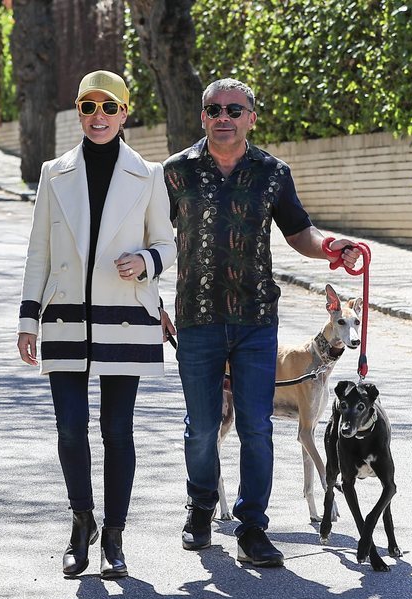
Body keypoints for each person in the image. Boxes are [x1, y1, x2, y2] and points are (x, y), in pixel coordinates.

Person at [163, 78, 362, 567]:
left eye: (235, 109)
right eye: (214, 109)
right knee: (202, 426)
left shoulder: (273, 173)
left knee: (256, 426)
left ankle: (253, 526)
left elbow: (300, 231)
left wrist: (331, 248)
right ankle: (201, 508)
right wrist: (150, 300)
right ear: (202, 117)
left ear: (252, 117)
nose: (223, 117)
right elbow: (151, 236)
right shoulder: (174, 173)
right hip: (197, 317)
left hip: (255, 320)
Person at [17, 70, 176, 579]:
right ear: (79, 114)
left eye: (109, 108)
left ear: (125, 114)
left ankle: (114, 536)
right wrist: (26, 319)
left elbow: (168, 245)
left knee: (117, 430)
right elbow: (38, 249)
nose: (99, 117)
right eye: (89, 108)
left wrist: (146, 261)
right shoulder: (52, 172)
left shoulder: (148, 175)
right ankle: (80, 523)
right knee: (69, 427)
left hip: (125, 318)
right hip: (63, 317)